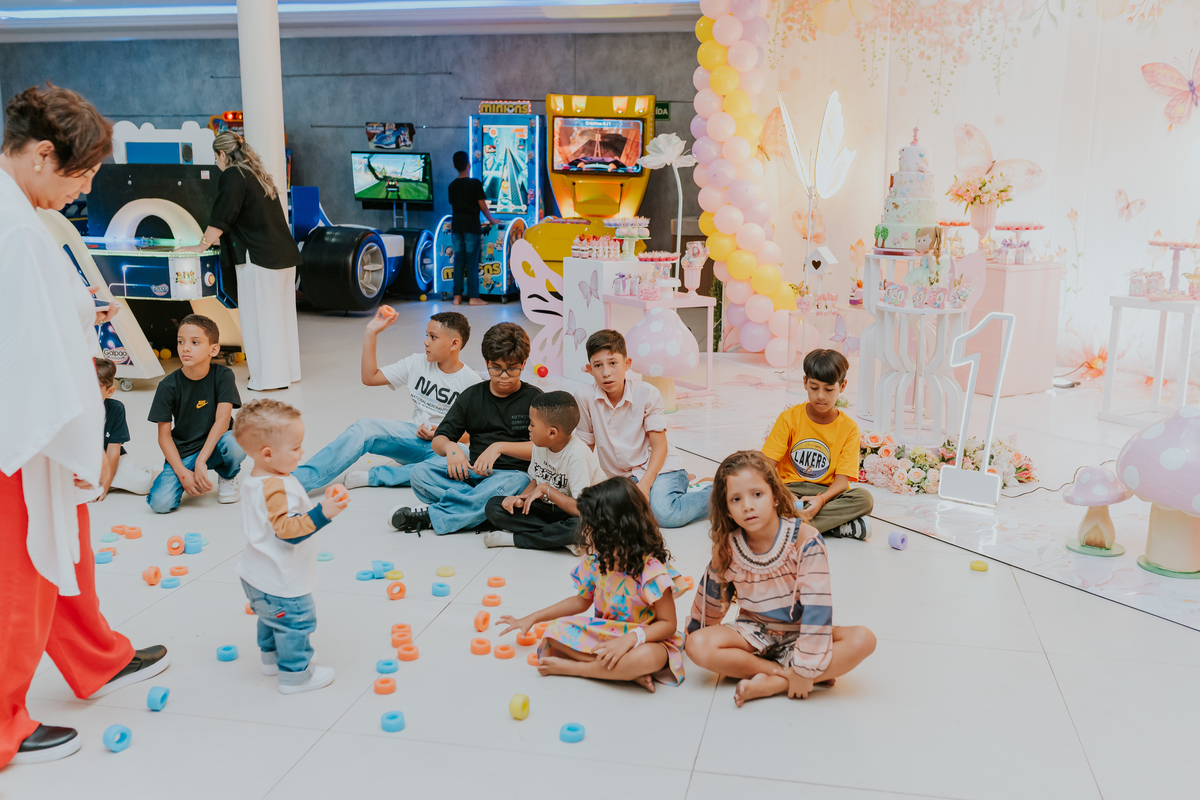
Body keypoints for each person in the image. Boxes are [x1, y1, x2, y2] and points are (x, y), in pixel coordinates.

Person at [0, 83, 168, 767]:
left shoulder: (20, 215)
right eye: (84, 174)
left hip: (36, 417)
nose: (85, 189)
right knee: (25, 569)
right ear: (43, 155)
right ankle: (5, 724)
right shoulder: (13, 227)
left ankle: (94, 656)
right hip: (21, 428)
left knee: (62, 548)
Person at [685, 451, 876, 707]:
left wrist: (806, 665)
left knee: (863, 639)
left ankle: (778, 682)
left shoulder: (804, 539)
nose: (748, 506)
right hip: (753, 632)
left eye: (757, 494)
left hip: (801, 631)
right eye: (736, 499)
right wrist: (693, 635)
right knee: (698, 645)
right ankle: (784, 673)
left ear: (775, 495)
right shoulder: (728, 548)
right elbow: (711, 599)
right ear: (727, 510)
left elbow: (818, 607)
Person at [497, 476, 689, 691]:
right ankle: (624, 673)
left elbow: (668, 624)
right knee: (554, 631)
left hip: (644, 640)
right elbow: (581, 601)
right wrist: (533, 617)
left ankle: (577, 668)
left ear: (616, 530)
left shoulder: (651, 570)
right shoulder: (595, 562)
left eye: (590, 526)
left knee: (647, 657)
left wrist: (631, 639)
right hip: (607, 635)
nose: (584, 531)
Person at [232, 400, 349, 694]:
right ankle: (296, 675)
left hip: (255, 574)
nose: (302, 452)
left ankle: (271, 659)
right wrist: (325, 512)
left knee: (269, 619)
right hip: (281, 579)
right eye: (296, 447)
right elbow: (287, 531)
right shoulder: (278, 488)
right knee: (296, 622)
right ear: (268, 453)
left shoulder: (258, 479)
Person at [293, 310, 478, 491]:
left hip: (446, 448)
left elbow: (475, 434)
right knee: (364, 427)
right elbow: (370, 377)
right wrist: (371, 332)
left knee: (465, 460)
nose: (425, 341)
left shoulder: (472, 382)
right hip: (412, 437)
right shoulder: (416, 363)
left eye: (433, 337)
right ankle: (296, 482)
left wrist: (441, 434)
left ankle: (375, 477)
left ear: (454, 344)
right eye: (426, 335)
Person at [176, 131, 301, 391]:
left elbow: (223, 215)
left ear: (222, 154)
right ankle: (287, 372)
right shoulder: (256, 172)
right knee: (281, 318)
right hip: (282, 255)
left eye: (215, 158)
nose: (216, 163)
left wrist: (201, 244)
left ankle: (269, 379)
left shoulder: (233, 174)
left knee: (260, 318)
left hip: (259, 258)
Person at [390, 322, 539, 534]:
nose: (504, 376)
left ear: (524, 364)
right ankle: (481, 511)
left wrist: (499, 447)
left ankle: (434, 516)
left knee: (513, 483)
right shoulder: (472, 396)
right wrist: (452, 449)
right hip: (473, 475)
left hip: (512, 475)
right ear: (486, 362)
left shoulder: (535, 399)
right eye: (496, 367)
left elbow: (544, 448)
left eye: (512, 368)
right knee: (420, 474)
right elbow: (440, 439)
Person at [574, 330, 711, 528]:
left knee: (664, 515)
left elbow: (660, 446)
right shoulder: (584, 397)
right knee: (615, 518)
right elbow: (585, 448)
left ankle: (716, 491)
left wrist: (645, 485)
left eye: (613, 363)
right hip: (624, 478)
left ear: (627, 364)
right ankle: (679, 489)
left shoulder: (646, 393)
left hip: (661, 467)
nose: (606, 372)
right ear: (590, 369)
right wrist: (581, 488)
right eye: (598, 365)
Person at [761, 349, 873, 540]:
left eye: (829, 389)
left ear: (842, 386)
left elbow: (842, 482)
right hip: (788, 488)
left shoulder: (849, 428)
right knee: (757, 495)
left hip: (826, 493)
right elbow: (766, 466)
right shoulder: (789, 418)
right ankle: (833, 527)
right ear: (805, 382)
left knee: (864, 499)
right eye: (814, 387)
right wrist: (784, 495)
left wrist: (821, 500)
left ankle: (785, 528)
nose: (821, 396)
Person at [146, 314, 246, 513]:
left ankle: (227, 475)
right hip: (185, 451)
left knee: (236, 441)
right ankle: (170, 472)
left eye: (195, 342)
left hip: (216, 443)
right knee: (160, 504)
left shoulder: (223, 375)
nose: (185, 348)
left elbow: (223, 420)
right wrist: (182, 472)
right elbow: (164, 437)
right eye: (181, 342)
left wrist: (202, 460)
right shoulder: (168, 386)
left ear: (213, 349)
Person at [483, 391, 605, 553]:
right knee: (494, 507)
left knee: (579, 526)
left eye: (532, 424)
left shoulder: (577, 456)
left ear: (552, 433)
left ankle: (515, 539)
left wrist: (547, 490)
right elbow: (536, 480)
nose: (529, 428)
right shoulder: (539, 446)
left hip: (577, 512)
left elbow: (579, 508)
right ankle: (560, 539)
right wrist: (520, 499)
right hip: (548, 509)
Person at [94, 357, 154, 500]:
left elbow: (113, 452)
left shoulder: (116, 409)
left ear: (110, 391)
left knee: (142, 484)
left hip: (112, 460)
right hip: (84, 462)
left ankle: (157, 471)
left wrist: (104, 486)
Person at [447, 149, 498, 306]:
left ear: (455, 166)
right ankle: (473, 297)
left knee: (458, 261)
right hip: (471, 225)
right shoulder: (475, 183)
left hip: (457, 225)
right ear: (469, 165)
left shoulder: (452, 186)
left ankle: (457, 297)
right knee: (471, 261)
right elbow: (482, 206)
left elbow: (454, 208)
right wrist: (492, 220)